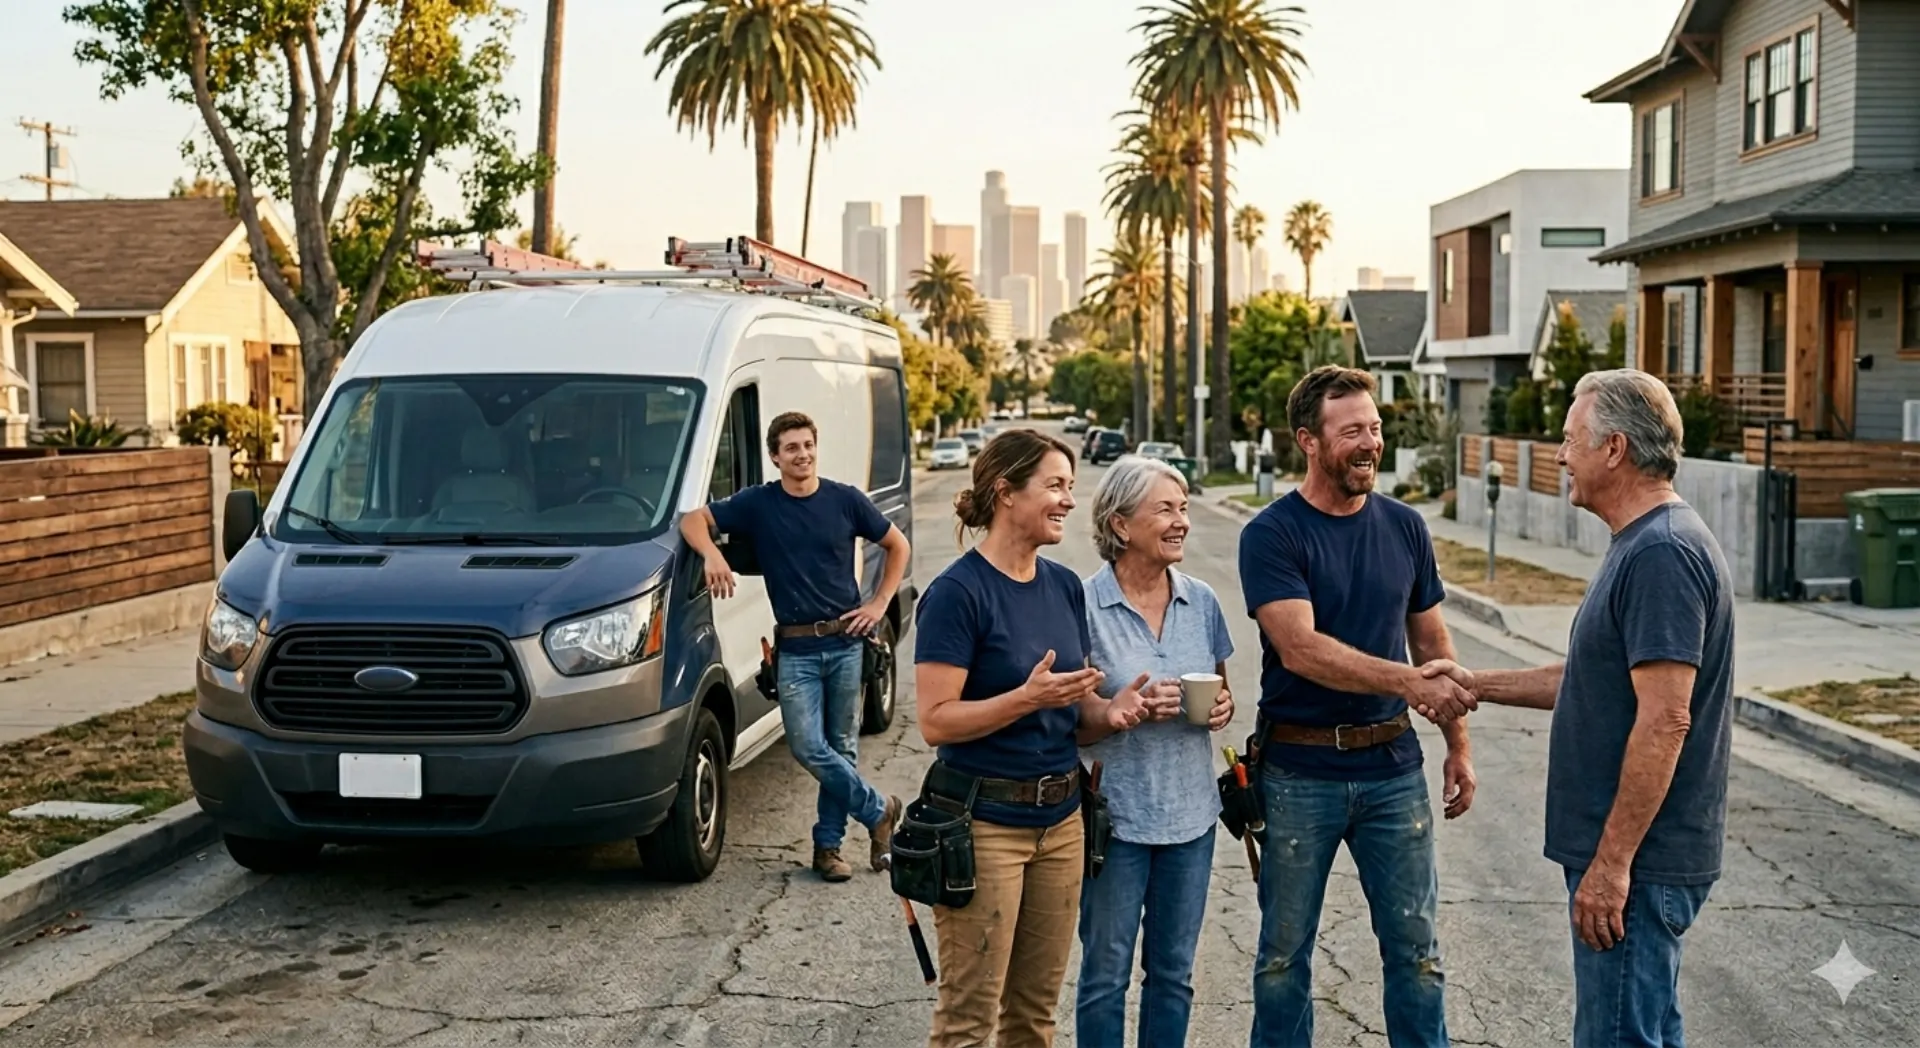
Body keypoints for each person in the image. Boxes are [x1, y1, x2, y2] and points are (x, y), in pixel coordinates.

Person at [1419, 369, 1734, 1048]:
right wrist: (1476, 682)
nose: (1559, 453)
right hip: (1632, 865)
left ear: (1614, 448)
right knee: (1641, 1030)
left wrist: (1613, 863)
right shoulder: (1644, 543)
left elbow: (1665, 718)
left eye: (1569, 438)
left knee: (1620, 1036)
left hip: (1640, 867)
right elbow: (1590, 681)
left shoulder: (1664, 554)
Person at [1236, 365, 1478, 1048]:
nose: (1370, 443)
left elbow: (1431, 642)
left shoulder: (1404, 527)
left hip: (1392, 770)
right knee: (1283, 959)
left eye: (1374, 429)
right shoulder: (1273, 534)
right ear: (1308, 441)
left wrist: (1458, 744)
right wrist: (1409, 683)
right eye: (1352, 432)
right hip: (1297, 773)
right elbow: (1302, 649)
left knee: (1419, 955)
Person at [913, 428, 1154, 1048]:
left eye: (1071, 488)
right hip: (985, 825)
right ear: (1005, 492)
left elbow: (1075, 712)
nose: (1069, 501)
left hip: (1063, 825)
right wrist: (1026, 697)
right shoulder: (957, 594)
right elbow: (936, 720)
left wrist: (1113, 710)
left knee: (1034, 1018)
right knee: (968, 1019)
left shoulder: (1064, 586)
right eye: (1054, 486)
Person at [680, 410, 909, 883]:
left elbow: (897, 545)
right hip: (797, 650)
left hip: (847, 642)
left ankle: (828, 849)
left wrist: (880, 603)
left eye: (807, 445)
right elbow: (691, 521)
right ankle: (878, 810)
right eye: (791, 448)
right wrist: (713, 553)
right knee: (808, 745)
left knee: (841, 748)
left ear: (814, 448)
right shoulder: (759, 504)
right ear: (775, 457)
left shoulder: (845, 500)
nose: (801, 454)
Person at [1073, 455, 1236, 1048]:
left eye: (1184, 507)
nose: (1181, 522)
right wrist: (1121, 709)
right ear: (1120, 525)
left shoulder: (1204, 601)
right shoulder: (1082, 605)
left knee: (1172, 976)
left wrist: (1222, 709)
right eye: (1165, 509)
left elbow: (1222, 691)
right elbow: (1073, 727)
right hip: (1115, 821)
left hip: (1192, 820)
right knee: (1104, 976)